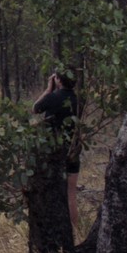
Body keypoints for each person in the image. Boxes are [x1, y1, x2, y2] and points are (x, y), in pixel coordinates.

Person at [33, 70, 80, 231]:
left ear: (58, 80)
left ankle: (53, 228)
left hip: (53, 150)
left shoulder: (53, 98)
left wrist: (48, 89)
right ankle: (75, 228)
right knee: (71, 192)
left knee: (50, 191)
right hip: (73, 148)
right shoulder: (78, 100)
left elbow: (35, 108)